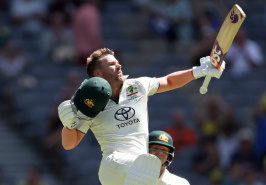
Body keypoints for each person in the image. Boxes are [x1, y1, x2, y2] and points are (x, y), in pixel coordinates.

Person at [58, 48, 225, 185]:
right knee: (144, 167)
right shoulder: (90, 103)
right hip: (113, 168)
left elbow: (170, 81)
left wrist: (198, 71)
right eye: (111, 64)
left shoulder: (138, 86)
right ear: (98, 74)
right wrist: (69, 124)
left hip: (142, 170)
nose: (119, 66)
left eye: (117, 62)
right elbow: (69, 144)